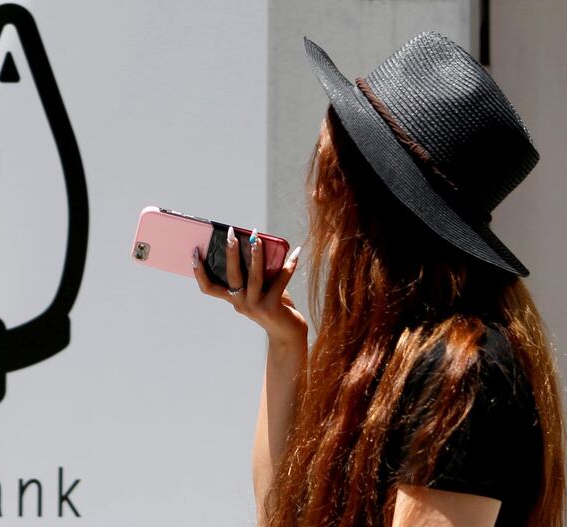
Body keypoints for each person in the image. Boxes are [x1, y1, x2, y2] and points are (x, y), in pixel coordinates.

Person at [191, 32, 565, 526]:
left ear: (359, 201)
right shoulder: (400, 356)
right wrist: (285, 343)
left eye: (328, 174)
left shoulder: (464, 370)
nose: (317, 198)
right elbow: (278, 514)